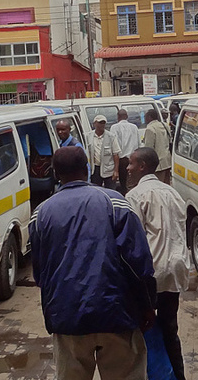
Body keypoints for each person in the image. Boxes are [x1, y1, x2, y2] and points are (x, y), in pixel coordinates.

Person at [29, 146, 156, 380]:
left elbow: (41, 273)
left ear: (56, 173)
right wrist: (147, 304)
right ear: (87, 168)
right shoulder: (115, 203)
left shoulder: (41, 214)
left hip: (67, 318)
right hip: (117, 315)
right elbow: (138, 261)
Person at [125, 147, 190, 380]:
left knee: (145, 328)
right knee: (170, 328)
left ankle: (153, 374)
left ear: (142, 166)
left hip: (151, 273)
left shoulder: (135, 196)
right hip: (176, 269)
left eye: (131, 163)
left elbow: (134, 242)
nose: (127, 168)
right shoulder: (173, 193)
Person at [86, 114, 121, 189]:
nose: (102, 125)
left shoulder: (111, 136)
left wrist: (116, 171)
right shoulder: (89, 136)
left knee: (110, 190)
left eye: (103, 123)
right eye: (100, 123)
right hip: (95, 169)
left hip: (108, 169)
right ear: (94, 124)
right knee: (96, 190)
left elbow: (116, 154)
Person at [111, 109, 141, 192]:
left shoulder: (114, 127)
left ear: (118, 117)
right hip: (134, 159)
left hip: (122, 160)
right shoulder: (134, 127)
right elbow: (139, 144)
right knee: (133, 182)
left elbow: (114, 146)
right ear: (127, 116)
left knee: (123, 184)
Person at [142, 110, 172, 183]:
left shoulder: (150, 129)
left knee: (158, 185)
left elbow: (148, 149)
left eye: (145, 117)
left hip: (158, 164)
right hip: (167, 161)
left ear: (149, 117)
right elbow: (169, 140)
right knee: (166, 184)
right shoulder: (165, 125)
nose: (144, 119)